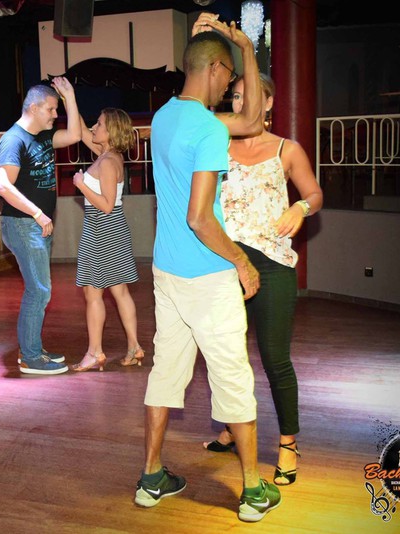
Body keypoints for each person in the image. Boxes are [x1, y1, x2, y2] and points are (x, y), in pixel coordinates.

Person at [134, 14, 282, 523]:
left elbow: (251, 121)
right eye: (229, 78)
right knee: (233, 378)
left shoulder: (164, 117)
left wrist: (245, 49)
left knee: (165, 372)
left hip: (166, 272)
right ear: (216, 69)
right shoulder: (208, 129)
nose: (229, 90)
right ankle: (253, 490)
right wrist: (241, 260)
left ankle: (151, 477)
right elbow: (200, 217)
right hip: (208, 275)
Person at [203, 74, 323, 488]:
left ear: (268, 103)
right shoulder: (218, 145)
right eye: (235, 96)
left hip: (272, 266)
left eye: (250, 95)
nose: (241, 102)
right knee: (227, 357)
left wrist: (300, 207)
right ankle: (232, 429)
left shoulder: (287, 149)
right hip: (226, 265)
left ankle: (288, 444)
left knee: (274, 359)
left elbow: (315, 194)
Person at [0, 77, 81, 375]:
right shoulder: (13, 140)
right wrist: (38, 214)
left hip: (35, 225)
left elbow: (74, 135)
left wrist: (70, 96)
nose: (55, 115)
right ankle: (30, 357)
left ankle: (32, 349)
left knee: (40, 290)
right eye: (51, 109)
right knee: (39, 291)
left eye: (57, 109)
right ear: (33, 108)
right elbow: (3, 186)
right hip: (23, 224)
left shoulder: (43, 136)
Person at [70, 108, 143, 372]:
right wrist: (69, 97)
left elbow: (107, 205)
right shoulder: (107, 155)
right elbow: (81, 131)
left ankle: (94, 352)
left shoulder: (108, 162)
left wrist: (81, 184)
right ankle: (133, 348)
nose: (94, 127)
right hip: (107, 230)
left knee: (93, 293)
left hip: (102, 228)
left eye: (99, 124)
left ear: (110, 131)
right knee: (119, 291)